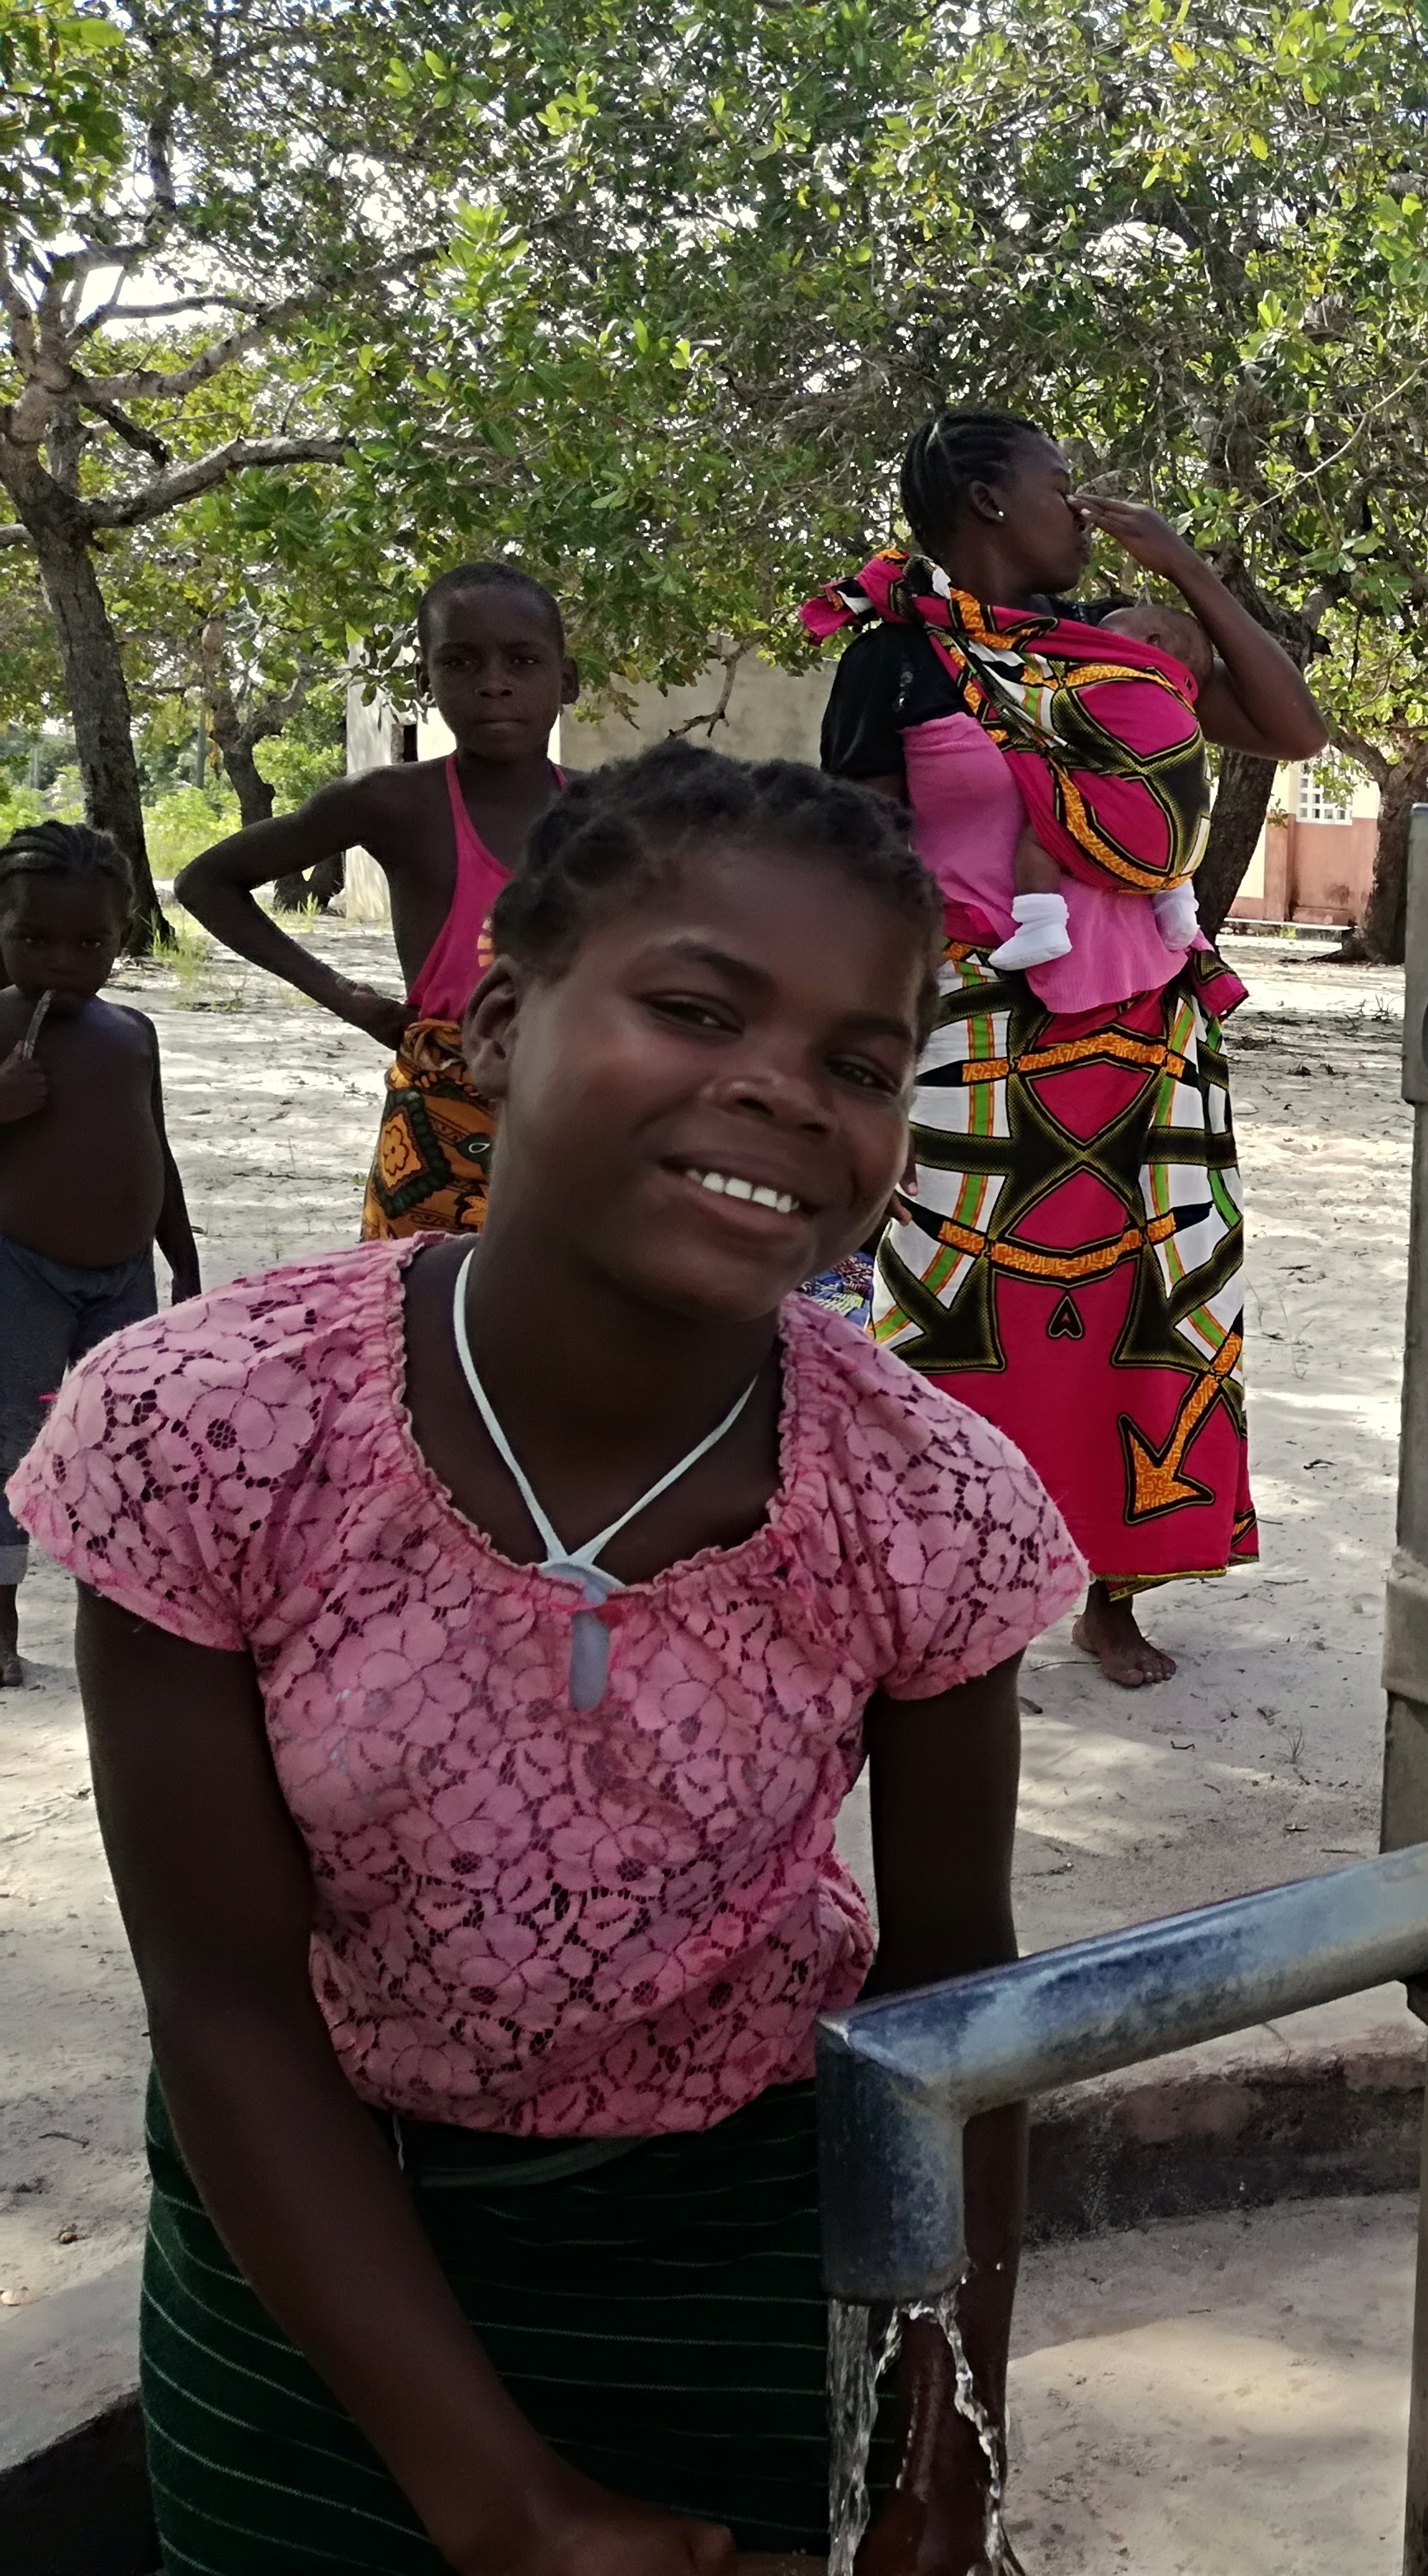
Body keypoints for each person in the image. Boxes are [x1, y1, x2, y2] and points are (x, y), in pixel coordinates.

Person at [16, 743, 1083, 2571]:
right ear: (499, 1025)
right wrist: (496, 2501)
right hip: (308, 2246)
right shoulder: (211, 1425)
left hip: (730, 2257)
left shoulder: (930, 1505)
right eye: (693, 1007)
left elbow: (947, 2007)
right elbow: (227, 1999)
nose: (782, 1092)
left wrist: (939, 2449)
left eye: (863, 1064)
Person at [808, 410, 1331, 1691]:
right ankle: (939, 1588)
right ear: (988, 502)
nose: (1076, 505)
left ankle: (1117, 1587)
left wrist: (1189, 572)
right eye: (1055, 483)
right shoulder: (897, 663)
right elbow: (855, 851)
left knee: (1151, 1307)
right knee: (953, 1315)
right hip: (981, 1035)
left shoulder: (1108, 649)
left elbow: (1291, 731)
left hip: (1150, 1039)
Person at [176, 562, 579, 1238]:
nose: (494, 682)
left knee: (579, 1323)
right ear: (425, 683)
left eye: (523, 659)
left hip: (579, 1116)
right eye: (460, 662)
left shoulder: (611, 813)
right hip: (435, 1132)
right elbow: (205, 882)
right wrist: (345, 996)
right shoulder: (395, 804)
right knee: (410, 1317)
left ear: (566, 680)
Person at [0, 821, 196, 1687]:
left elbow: (156, 1148)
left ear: (123, 937)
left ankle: (129, 1610)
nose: (63, 963)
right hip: (19, 1273)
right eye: (33, 939)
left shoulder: (133, 1032)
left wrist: (182, 1259)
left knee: (126, 1438)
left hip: (124, 1279)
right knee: (10, 1441)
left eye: (91, 942)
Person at [987, 601, 1223, 973]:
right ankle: (1178, 907)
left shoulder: (1118, 682)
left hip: (1119, 846)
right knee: (1171, 806)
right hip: (1182, 853)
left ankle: (1041, 924)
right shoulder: (1182, 704)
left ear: (1153, 643)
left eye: (1105, 636)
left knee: (1040, 835)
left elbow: (1049, 709)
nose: (1092, 647)